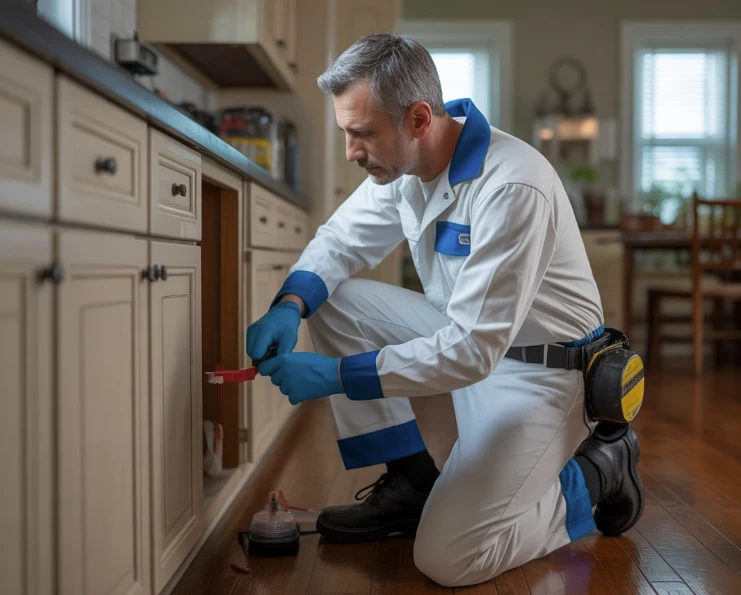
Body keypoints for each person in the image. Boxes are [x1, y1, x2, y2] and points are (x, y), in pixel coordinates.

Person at [246, 33, 644, 588]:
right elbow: (341, 241)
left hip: (543, 376)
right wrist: (289, 305)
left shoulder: (513, 185)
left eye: (362, 134)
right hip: (473, 347)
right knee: (330, 298)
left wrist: (337, 376)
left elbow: (473, 350)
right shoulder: (405, 166)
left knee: (450, 557)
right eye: (346, 132)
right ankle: (411, 481)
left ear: (418, 119)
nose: (351, 152)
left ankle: (597, 472)